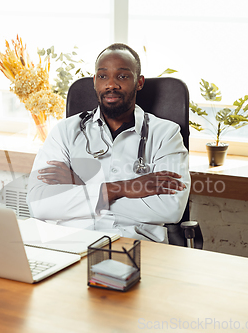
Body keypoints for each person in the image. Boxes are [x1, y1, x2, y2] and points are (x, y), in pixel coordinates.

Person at [27, 43, 190, 243]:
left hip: (136, 246)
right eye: (103, 76)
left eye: (122, 76)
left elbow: (171, 208)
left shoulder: (166, 134)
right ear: (95, 81)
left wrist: (81, 188)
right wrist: (121, 188)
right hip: (73, 243)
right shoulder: (65, 131)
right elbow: (39, 203)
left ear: (139, 82)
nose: (111, 84)